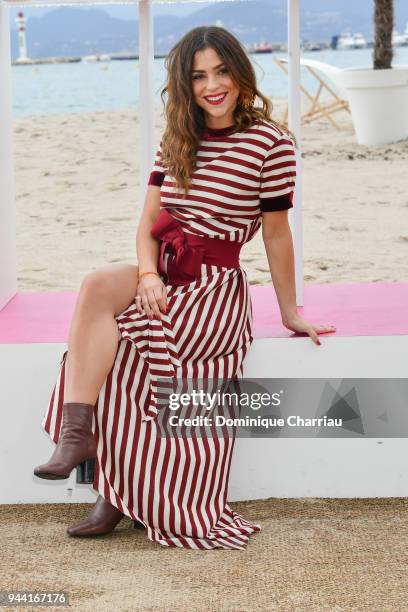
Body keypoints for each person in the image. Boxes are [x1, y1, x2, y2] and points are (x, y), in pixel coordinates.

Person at [33, 26, 336, 550]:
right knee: (96, 285)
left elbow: (277, 233)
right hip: (164, 273)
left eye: (221, 71)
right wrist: (147, 274)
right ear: (185, 84)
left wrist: (291, 311)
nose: (212, 85)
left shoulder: (272, 141)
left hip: (214, 288)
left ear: (240, 71)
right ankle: (75, 437)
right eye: (199, 76)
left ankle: (113, 493)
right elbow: (148, 221)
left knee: (126, 354)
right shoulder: (176, 138)